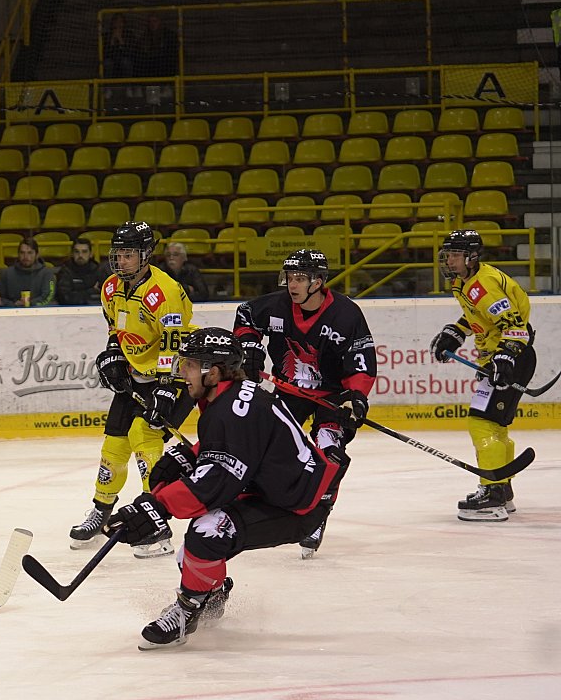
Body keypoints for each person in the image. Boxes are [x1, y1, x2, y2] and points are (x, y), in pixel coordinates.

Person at [107, 328, 338, 650]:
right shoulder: (232, 397)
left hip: (296, 505)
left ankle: (188, 610)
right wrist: (189, 456)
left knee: (208, 532)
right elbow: (235, 447)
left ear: (212, 372)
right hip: (274, 487)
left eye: (189, 365)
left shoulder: (231, 410)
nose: (182, 373)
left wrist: (158, 508)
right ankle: (212, 593)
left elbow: (218, 480)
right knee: (191, 553)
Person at [233, 249, 374, 555]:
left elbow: (361, 362)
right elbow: (246, 315)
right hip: (289, 391)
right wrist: (249, 345)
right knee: (268, 445)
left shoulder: (346, 314)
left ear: (318, 282)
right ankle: (257, 500)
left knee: (329, 451)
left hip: (332, 396)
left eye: (299, 278)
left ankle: (318, 514)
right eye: (289, 277)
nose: (292, 284)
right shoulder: (276, 305)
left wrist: (356, 397)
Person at [71, 221, 193, 557]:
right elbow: (116, 328)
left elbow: (173, 344)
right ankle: (101, 511)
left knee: (143, 435)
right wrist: (114, 354)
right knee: (113, 445)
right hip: (137, 374)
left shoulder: (164, 292)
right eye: (118, 253)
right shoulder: (111, 287)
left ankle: (156, 522)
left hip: (175, 375)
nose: (120, 260)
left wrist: (166, 388)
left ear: (146, 254)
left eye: (128, 254)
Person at [429, 229, 536, 521]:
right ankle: (501, 488)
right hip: (501, 359)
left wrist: (505, 358)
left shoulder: (483, 284)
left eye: (455, 254)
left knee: (481, 423)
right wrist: (456, 332)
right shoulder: (464, 282)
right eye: (448, 254)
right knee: (495, 426)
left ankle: (492, 495)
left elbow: (515, 326)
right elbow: (478, 315)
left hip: (511, 359)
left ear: (472, 257)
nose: (449, 260)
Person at [0, 239, 56, 307]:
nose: (26, 256)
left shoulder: (47, 274)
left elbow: (48, 298)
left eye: (30, 253)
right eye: (22, 253)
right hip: (12, 312)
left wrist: (30, 304)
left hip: (39, 312)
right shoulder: (7, 273)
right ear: (18, 254)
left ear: (37, 255)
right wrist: (13, 305)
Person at [54, 238, 103, 306]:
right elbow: (64, 298)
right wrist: (91, 291)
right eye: (77, 252)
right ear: (72, 254)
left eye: (84, 251)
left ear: (91, 254)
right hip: (70, 310)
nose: (80, 255)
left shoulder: (99, 271)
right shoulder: (65, 271)